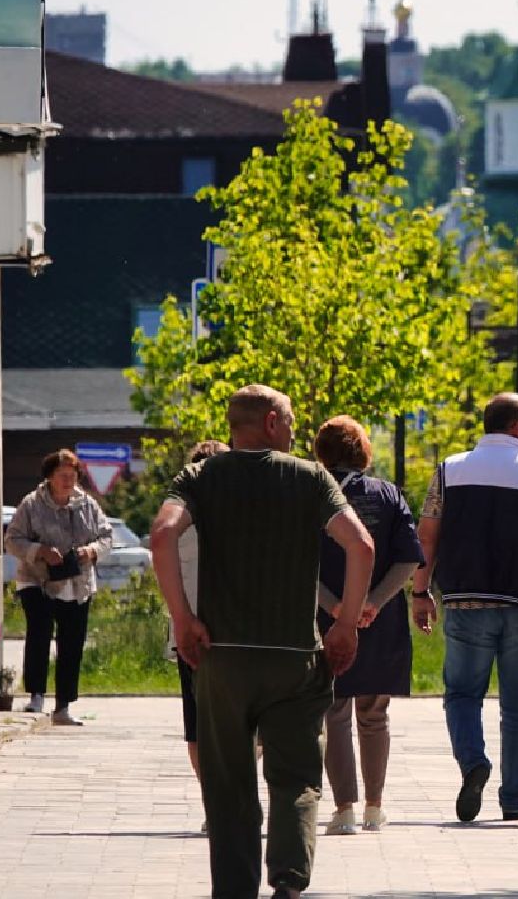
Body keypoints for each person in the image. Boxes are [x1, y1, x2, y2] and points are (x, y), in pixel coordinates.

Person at [150, 385, 375, 899]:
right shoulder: (310, 478)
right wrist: (343, 626)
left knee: (228, 782)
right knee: (295, 775)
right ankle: (289, 880)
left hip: (222, 659)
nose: (296, 431)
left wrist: (184, 619)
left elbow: (162, 535)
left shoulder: (200, 477)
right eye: (291, 421)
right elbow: (361, 545)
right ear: (272, 422)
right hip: (294, 657)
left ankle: (234, 888)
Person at [411, 392, 518, 823]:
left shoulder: (450, 470)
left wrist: (420, 593)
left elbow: (426, 536)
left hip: (465, 601)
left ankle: (473, 762)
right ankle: (515, 799)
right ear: (517, 427)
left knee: (462, 694)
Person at [312, 417, 424, 836]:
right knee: (374, 714)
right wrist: (372, 602)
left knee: (334, 711)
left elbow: (298, 562)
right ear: (362, 451)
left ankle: (344, 809)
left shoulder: (312, 495)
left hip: (326, 617)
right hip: (380, 619)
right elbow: (409, 559)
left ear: (321, 452)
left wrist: (337, 607)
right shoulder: (387, 494)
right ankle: (375, 807)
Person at [3, 448, 114, 726]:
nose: (68, 481)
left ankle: (63, 705)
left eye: (72, 475)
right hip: (38, 580)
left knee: (72, 642)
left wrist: (91, 550)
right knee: (39, 634)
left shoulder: (87, 504)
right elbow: (12, 540)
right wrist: (40, 550)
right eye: (62, 475)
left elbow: (106, 536)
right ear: (50, 477)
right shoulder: (31, 504)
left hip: (77, 583)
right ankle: (36, 695)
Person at [167, 438, 229, 809]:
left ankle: (216, 803)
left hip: (187, 629)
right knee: (239, 720)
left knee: (197, 725)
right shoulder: (238, 513)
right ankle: (227, 795)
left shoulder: (175, 514)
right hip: (231, 631)